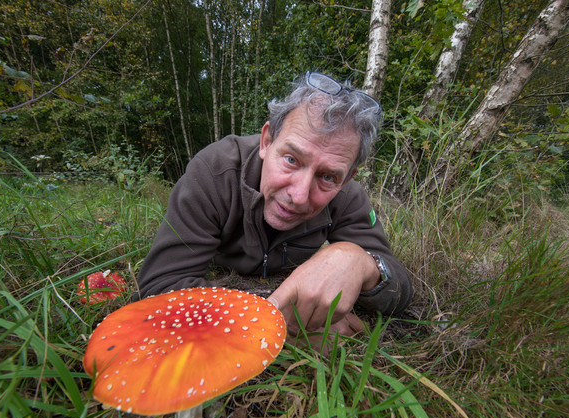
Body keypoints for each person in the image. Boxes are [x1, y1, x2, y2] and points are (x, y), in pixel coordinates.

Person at [136, 71, 412, 341]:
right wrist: (283, 320)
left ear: (347, 178)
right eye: (292, 159)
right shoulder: (214, 171)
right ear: (267, 141)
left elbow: (400, 287)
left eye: (328, 177)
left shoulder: (347, 196)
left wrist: (358, 261)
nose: (300, 195)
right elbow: (158, 288)